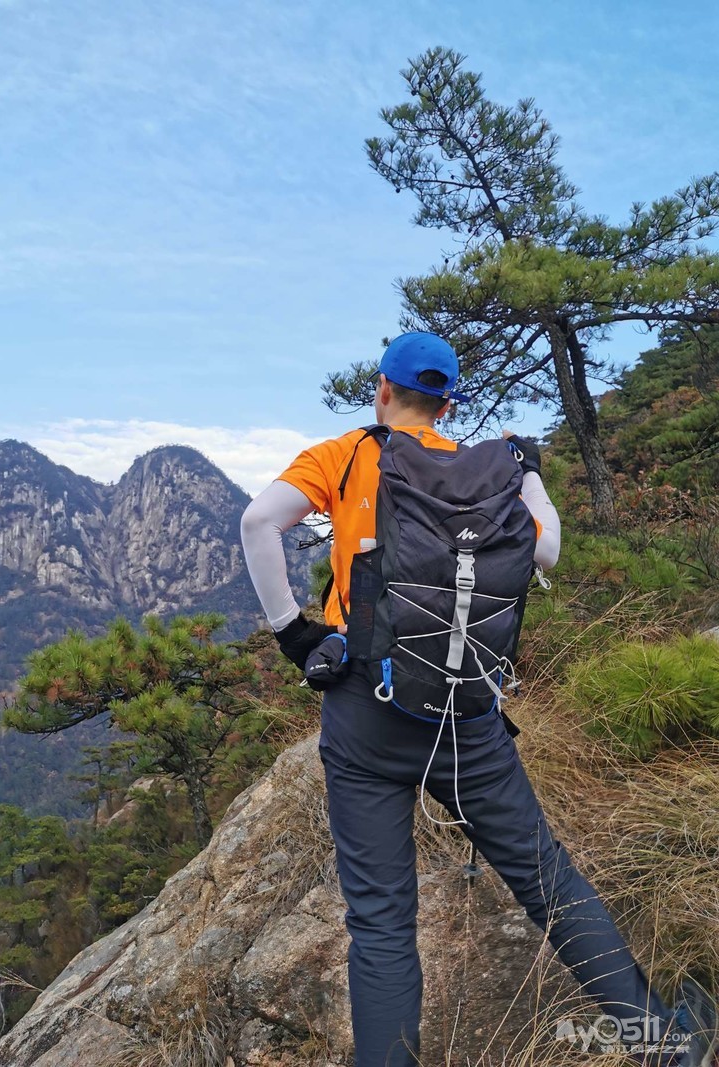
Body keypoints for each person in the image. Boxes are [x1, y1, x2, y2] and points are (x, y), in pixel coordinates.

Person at [240, 331, 717, 1067]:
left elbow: (258, 522)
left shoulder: (347, 454)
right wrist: (529, 473)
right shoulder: (490, 470)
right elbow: (547, 550)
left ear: (383, 390)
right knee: (547, 878)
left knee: (382, 922)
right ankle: (666, 1046)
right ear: (447, 402)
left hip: (365, 713)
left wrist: (293, 636)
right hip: (467, 715)